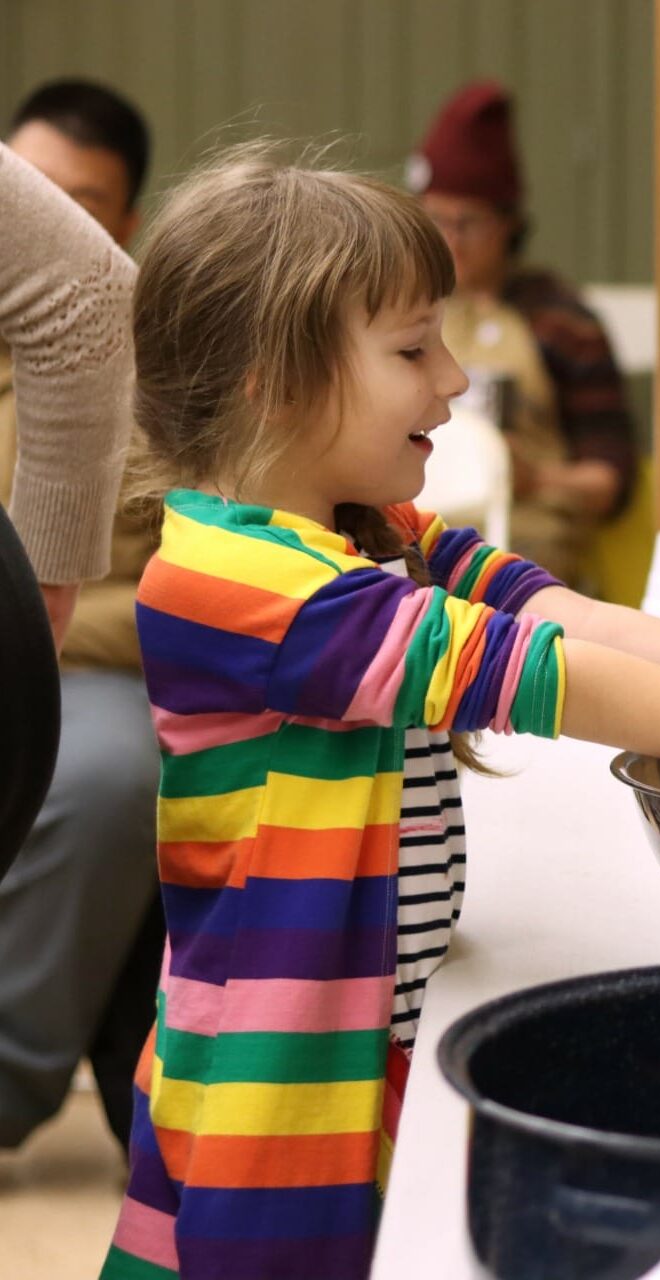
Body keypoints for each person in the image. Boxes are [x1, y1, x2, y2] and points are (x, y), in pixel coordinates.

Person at [98, 147, 660, 1280]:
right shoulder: (239, 585)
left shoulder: (367, 530)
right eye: (411, 348)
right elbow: (535, 668)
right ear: (274, 378)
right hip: (280, 1093)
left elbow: (568, 614)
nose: (452, 379)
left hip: (364, 1038)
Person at [0, 78, 163, 1158]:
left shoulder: (146, 369)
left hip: (94, 661)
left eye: (82, 202)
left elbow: (179, 578)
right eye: (32, 191)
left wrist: (41, 623)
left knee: (105, 777)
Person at [408, 79, 635, 586]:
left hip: (530, 552)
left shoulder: (560, 322)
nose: (450, 241)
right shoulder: (403, 312)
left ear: (509, 222)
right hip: (418, 537)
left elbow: (613, 479)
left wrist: (531, 479)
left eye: (468, 223)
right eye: (435, 219)